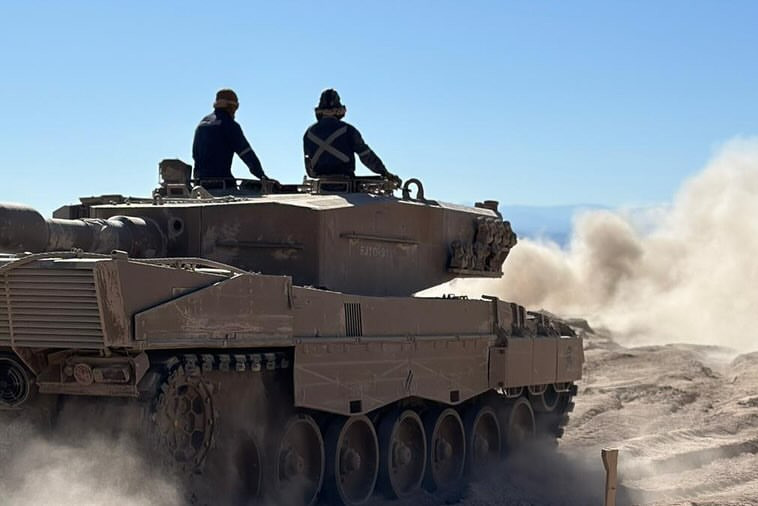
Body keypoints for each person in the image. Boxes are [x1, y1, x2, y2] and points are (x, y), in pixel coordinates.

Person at [303, 89, 400, 183]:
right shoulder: (348, 130)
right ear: (340, 110)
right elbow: (366, 156)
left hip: (318, 184)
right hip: (345, 180)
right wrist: (384, 172)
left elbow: (309, 165)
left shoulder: (309, 133)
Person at [192, 89, 272, 189]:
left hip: (199, 185)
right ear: (231, 107)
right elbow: (247, 155)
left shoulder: (201, 125)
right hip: (222, 185)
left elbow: (195, 156)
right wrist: (263, 178)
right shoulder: (229, 125)